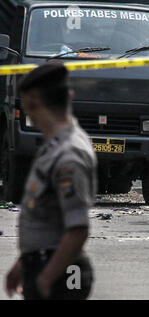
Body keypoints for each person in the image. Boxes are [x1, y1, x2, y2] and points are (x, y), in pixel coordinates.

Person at [5, 63, 96, 300]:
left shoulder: (68, 155)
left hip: (60, 273)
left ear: (32, 101)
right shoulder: (55, 146)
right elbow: (46, 219)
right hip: (45, 264)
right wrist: (22, 264)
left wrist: (46, 279)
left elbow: (77, 229)